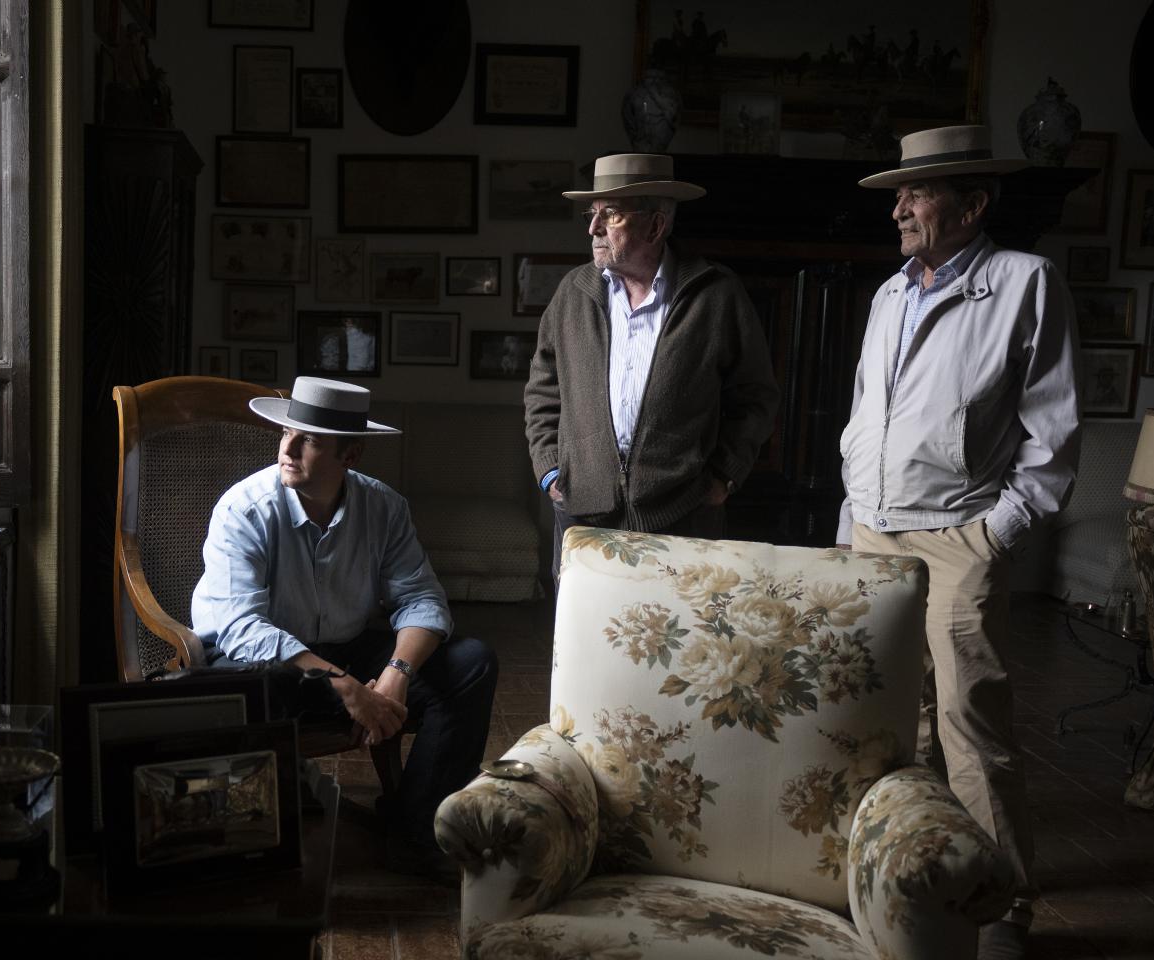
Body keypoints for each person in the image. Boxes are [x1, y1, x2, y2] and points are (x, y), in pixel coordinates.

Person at [837, 125, 1080, 960]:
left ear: (973, 205)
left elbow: (1052, 439)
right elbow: (865, 416)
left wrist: (992, 538)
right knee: (887, 720)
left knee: (972, 723)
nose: (899, 207)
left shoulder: (1025, 283)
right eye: (899, 193)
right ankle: (898, 879)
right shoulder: (888, 294)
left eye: (919, 192)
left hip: (957, 535)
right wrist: (848, 523)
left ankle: (1000, 908)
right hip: (870, 531)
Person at [191, 376, 499, 882]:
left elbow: (421, 598)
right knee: (244, 692)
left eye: (309, 439)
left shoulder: (384, 507)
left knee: (471, 664)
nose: (287, 449)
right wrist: (348, 688)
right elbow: (240, 627)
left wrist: (395, 674)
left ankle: (416, 832)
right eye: (287, 432)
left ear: (350, 454)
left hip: (348, 647)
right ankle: (257, 850)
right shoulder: (244, 508)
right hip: (266, 662)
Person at [524, 152, 779, 577]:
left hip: (683, 516)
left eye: (612, 215)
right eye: (593, 213)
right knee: (583, 639)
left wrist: (723, 476)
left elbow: (755, 396)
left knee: (677, 638)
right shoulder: (574, 292)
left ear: (656, 225)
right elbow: (543, 388)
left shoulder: (716, 295)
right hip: (584, 514)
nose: (593, 228)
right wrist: (550, 467)